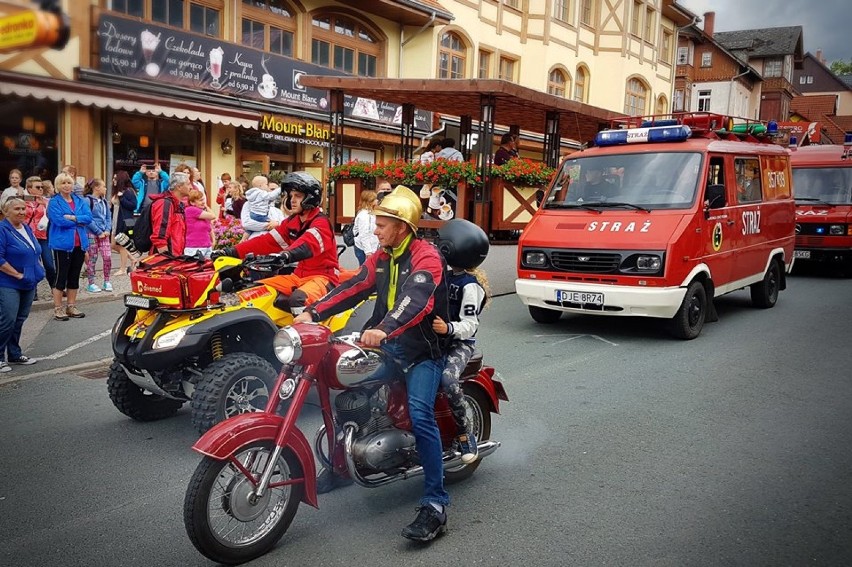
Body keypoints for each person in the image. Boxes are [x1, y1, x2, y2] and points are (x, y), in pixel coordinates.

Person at [293, 184, 451, 542]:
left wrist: (384, 328)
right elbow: (354, 287)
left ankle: (435, 503)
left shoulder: (426, 257)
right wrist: (313, 312)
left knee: (421, 414)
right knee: (342, 386)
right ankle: (340, 465)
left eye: (381, 225)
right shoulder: (381, 257)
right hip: (386, 345)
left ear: (402, 226)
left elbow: (417, 300)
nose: (375, 230)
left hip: (420, 351)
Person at [217, 172, 339, 315]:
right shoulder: (292, 222)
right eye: (291, 196)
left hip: (324, 277)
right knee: (254, 291)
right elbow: (266, 242)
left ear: (310, 198)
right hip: (298, 276)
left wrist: (285, 255)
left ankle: (300, 335)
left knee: (298, 299)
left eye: (298, 196)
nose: (292, 200)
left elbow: (307, 244)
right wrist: (231, 251)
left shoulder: (321, 222)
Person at [431, 220, 491, 463]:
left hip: (459, 343)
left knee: (448, 378)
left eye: (441, 245)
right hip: (434, 339)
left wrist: (448, 328)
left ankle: (465, 433)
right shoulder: (441, 275)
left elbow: (470, 324)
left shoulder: (470, 286)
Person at [0, 197, 45, 372]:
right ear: (5, 211)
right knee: (8, 319)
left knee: (19, 320)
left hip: (28, 281)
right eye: (17, 209)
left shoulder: (26, 227)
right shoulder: (3, 230)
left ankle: (14, 354)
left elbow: (34, 251)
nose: (21, 212)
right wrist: (17, 274)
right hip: (8, 282)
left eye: (23, 208)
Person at [47, 172, 92, 321]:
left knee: (74, 276)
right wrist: (79, 220)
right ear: (58, 185)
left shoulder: (79, 200)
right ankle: (58, 308)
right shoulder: (54, 202)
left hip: (80, 243)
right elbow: (59, 221)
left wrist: (73, 217)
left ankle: (71, 306)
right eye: (63, 183)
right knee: (61, 276)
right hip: (62, 244)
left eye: (69, 183)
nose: (67, 186)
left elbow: (88, 218)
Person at [23, 176, 55, 290]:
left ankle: (54, 287)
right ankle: (33, 290)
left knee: (49, 264)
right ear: (29, 189)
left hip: (43, 236)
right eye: (37, 187)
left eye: (42, 187)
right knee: (32, 265)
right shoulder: (22, 201)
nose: (41, 189)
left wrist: (45, 205)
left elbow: (53, 216)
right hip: (28, 236)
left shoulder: (46, 201)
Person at [149, 171, 191, 256]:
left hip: (176, 256)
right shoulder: (165, 204)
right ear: (179, 187)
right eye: (188, 184)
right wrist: (167, 261)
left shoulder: (178, 205)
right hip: (166, 261)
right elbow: (159, 237)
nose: (191, 187)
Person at [83, 178, 113, 293]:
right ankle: (91, 283)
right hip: (91, 233)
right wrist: (98, 231)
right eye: (103, 186)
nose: (105, 188)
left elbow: (108, 217)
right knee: (92, 258)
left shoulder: (104, 201)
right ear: (96, 188)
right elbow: (88, 219)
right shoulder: (87, 201)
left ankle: (107, 281)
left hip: (104, 234)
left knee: (107, 257)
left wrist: (107, 229)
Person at [111, 170, 138, 275]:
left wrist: (121, 197)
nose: (113, 180)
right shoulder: (117, 191)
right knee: (113, 245)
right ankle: (132, 258)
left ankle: (122, 268)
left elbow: (133, 205)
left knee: (122, 245)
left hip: (123, 221)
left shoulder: (128, 191)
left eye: (115, 178)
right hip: (115, 220)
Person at [184, 189, 216, 258]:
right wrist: (207, 207)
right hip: (194, 248)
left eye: (203, 200)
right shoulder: (190, 209)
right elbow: (213, 216)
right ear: (192, 202)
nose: (203, 202)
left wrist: (213, 241)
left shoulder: (202, 213)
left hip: (206, 246)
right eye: (200, 200)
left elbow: (209, 228)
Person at [352, 189, 379, 265]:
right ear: (369, 201)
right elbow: (364, 234)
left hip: (371, 248)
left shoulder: (371, 213)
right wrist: (368, 252)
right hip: (364, 249)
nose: (377, 201)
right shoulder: (364, 216)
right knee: (366, 272)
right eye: (375, 199)